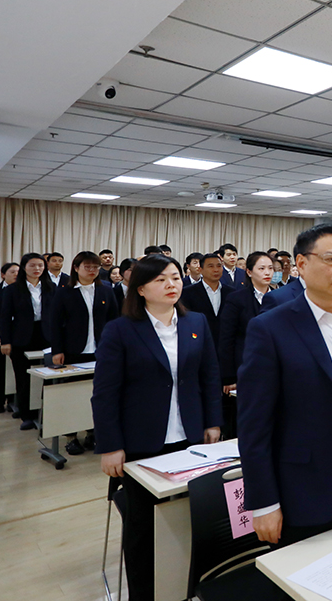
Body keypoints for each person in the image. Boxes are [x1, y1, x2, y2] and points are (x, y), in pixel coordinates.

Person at [238, 224, 332, 547]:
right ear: (302, 264)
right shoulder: (270, 328)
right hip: (301, 487)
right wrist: (264, 502)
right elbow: (254, 424)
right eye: (331, 259)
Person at [92, 254, 222, 601]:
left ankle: (184, 588)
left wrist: (212, 421)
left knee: (188, 518)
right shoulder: (120, 330)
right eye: (161, 279)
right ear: (141, 288)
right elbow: (105, 393)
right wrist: (110, 445)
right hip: (141, 443)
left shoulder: (195, 322)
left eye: (176, 277)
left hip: (190, 439)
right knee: (142, 526)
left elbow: (209, 376)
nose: (171, 285)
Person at [49, 251, 119, 454]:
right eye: (87, 267)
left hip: (100, 351)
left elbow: (114, 321)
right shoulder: (64, 292)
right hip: (73, 352)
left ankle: (91, 432)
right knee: (72, 394)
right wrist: (57, 350)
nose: (92, 270)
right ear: (76, 268)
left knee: (97, 394)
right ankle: (71, 436)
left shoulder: (106, 291)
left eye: (95, 267)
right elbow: (55, 324)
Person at [218, 252, 273, 440]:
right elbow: (226, 339)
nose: (267, 273)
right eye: (261, 268)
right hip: (244, 366)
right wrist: (229, 376)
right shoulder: (237, 298)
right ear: (249, 272)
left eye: (270, 268)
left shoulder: (280, 297)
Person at [0, 253, 55, 429]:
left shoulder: (51, 287)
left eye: (40, 265)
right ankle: (26, 415)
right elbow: (5, 318)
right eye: (32, 265)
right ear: (24, 267)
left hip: (46, 336)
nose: (37, 269)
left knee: (47, 377)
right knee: (23, 378)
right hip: (21, 337)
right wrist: (5, 341)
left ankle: (44, 413)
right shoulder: (13, 289)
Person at [180, 253, 233, 347]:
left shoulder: (231, 293)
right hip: (199, 343)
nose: (216, 270)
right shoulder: (187, 293)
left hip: (226, 344)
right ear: (200, 269)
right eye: (210, 266)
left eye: (219, 266)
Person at [0, 262, 19, 414]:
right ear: (3, 275)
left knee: (17, 371)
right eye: (12, 272)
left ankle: (16, 402)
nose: (16, 274)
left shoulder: (23, 291)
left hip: (18, 337)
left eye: (19, 272)